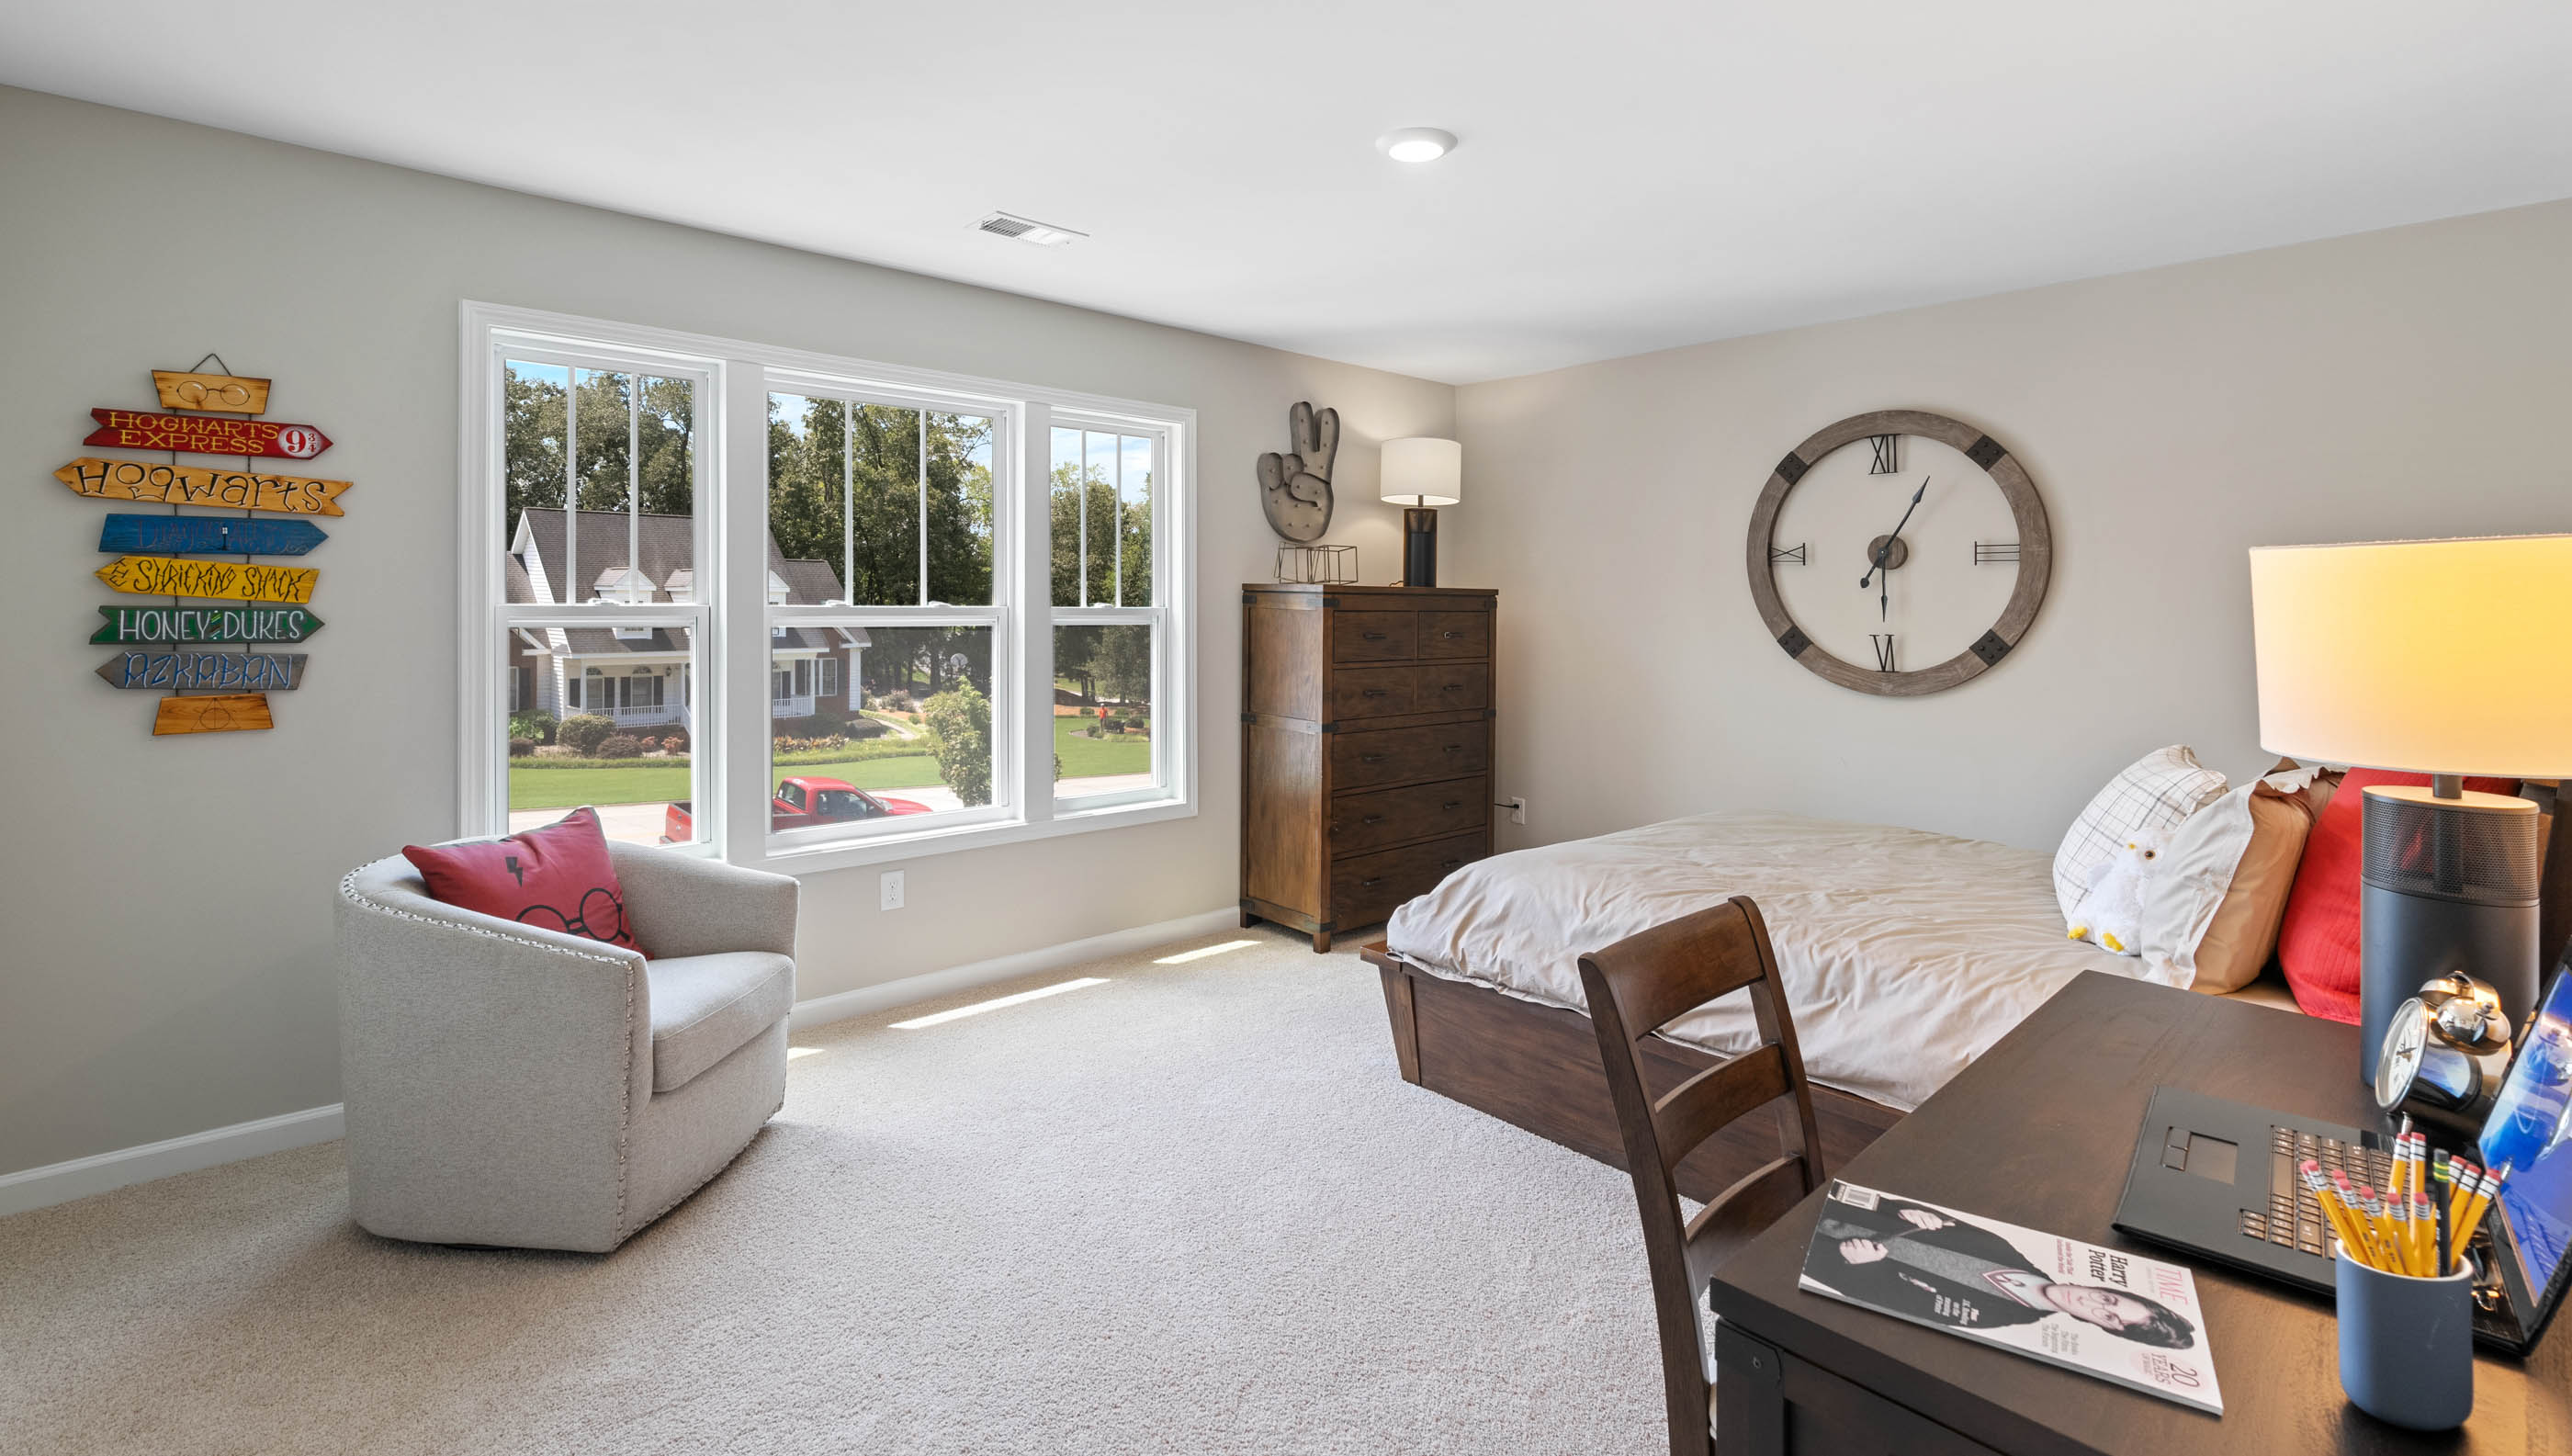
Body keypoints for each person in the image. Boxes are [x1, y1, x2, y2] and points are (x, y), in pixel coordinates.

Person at [1811, 1195, 2194, 1349]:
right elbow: (1933, 1217)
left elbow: (1891, 1299)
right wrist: (1913, 1213)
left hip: (1817, 1252)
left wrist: (1861, 1266)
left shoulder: (1994, 1318)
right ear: (2106, 1286)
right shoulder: (2007, 1248)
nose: (2094, 1303)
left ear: (2108, 1328)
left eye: (2108, 1316)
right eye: (2109, 1299)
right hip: (1833, 1210)